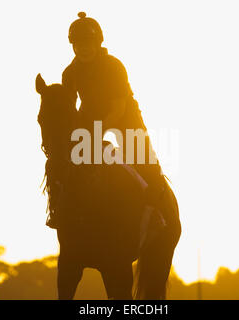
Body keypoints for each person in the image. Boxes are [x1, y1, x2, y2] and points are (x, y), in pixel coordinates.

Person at [47, 12, 166, 228]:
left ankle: (159, 210)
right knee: (65, 162)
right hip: (90, 119)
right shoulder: (69, 73)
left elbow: (118, 110)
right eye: (78, 43)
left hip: (126, 119)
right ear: (72, 46)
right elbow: (69, 109)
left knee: (144, 161)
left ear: (98, 42)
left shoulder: (114, 66)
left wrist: (96, 133)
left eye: (88, 43)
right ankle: (58, 209)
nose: (83, 48)